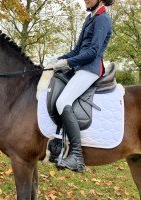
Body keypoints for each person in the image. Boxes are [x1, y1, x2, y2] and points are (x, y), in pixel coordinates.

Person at [46, 0, 115, 172]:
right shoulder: (90, 18)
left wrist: (67, 63)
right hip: (80, 67)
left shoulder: (102, 19)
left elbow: (93, 52)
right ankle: (58, 143)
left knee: (63, 102)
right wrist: (58, 60)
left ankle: (77, 155)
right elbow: (77, 50)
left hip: (90, 69)